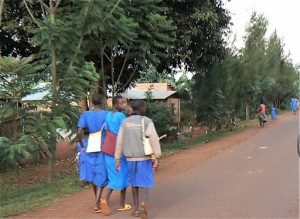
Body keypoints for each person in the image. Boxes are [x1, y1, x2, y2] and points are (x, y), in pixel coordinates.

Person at [115, 100, 161, 219]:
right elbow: (154, 140)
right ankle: (143, 203)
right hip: (144, 158)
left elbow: (119, 142)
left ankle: (136, 209)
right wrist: (157, 157)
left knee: (134, 183)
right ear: (141, 109)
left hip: (130, 159)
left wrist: (118, 158)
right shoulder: (147, 121)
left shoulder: (124, 122)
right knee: (144, 182)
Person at [100, 96, 131, 216]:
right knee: (123, 176)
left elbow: (107, 130)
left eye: (125, 102)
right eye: (122, 103)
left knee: (113, 176)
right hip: (119, 150)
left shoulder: (108, 115)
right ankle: (119, 203)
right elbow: (125, 133)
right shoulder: (121, 116)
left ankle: (106, 199)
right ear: (116, 105)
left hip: (108, 149)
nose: (125, 105)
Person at [77, 93, 108, 213]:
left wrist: (83, 145)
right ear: (102, 102)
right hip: (103, 146)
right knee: (103, 174)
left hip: (89, 145)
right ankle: (97, 203)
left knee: (94, 173)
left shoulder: (86, 114)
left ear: (92, 103)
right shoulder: (106, 114)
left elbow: (79, 132)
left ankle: (97, 199)